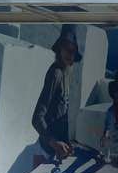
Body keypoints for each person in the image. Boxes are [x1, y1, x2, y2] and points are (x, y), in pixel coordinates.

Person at [32, 24, 81, 162]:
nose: (69, 53)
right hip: (44, 151)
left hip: (55, 150)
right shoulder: (56, 74)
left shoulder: (66, 73)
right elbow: (37, 118)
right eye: (66, 48)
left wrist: (66, 142)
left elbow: (61, 114)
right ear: (60, 49)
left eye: (72, 50)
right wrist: (54, 142)